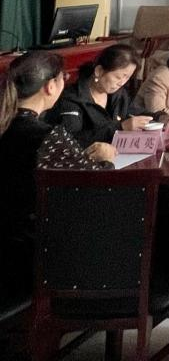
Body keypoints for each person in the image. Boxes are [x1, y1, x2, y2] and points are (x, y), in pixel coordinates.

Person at [0, 52, 116, 302]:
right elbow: (98, 186)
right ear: (50, 86)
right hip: (36, 254)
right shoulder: (47, 136)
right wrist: (105, 160)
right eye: (63, 77)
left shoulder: (8, 126)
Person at [50, 44, 150, 146]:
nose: (121, 83)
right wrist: (120, 128)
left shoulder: (119, 94)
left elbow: (135, 111)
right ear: (99, 71)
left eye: (127, 78)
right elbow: (70, 140)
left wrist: (157, 117)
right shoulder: (71, 99)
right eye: (118, 77)